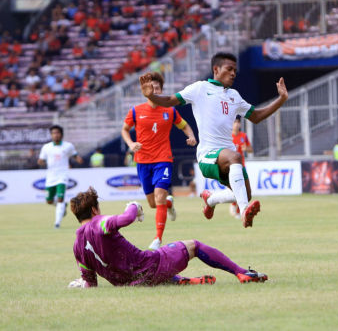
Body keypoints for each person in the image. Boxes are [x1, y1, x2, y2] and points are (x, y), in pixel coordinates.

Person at [139, 52, 289, 228]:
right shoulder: (200, 88)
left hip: (226, 158)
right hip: (208, 155)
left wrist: (282, 99)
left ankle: (211, 200)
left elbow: (256, 116)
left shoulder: (234, 96)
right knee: (236, 158)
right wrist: (152, 96)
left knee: (244, 193)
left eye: (235, 70)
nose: (233, 73)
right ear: (216, 69)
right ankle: (243, 211)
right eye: (229, 69)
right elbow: (170, 100)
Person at [68, 187, 267, 288]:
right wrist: (134, 205)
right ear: (94, 209)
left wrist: (80, 284)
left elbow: (90, 284)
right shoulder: (100, 222)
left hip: (129, 283)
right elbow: (128, 217)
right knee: (194, 246)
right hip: (149, 266)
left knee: (157, 260)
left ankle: (185, 281)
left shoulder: (77, 247)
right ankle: (241, 273)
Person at [123, 71, 198, 250]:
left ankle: (157, 238)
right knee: (152, 203)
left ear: (160, 90)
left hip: (163, 159)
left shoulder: (169, 111)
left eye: (156, 88)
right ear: (144, 89)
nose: (153, 89)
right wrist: (131, 143)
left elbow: (185, 125)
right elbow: (124, 130)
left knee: (159, 197)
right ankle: (169, 202)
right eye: (150, 87)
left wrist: (191, 136)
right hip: (142, 161)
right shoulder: (136, 111)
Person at [38, 125, 84, 229]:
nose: (56, 135)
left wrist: (78, 159)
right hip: (50, 177)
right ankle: (63, 207)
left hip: (62, 176)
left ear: (61, 134)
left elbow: (75, 155)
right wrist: (40, 161)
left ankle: (57, 223)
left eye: (57, 132)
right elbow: (41, 159)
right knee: (49, 200)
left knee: (60, 198)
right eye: (53, 133)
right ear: (51, 135)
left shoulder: (68, 146)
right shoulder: (46, 147)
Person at [229, 115, 254, 218]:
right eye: (235, 122)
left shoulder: (244, 136)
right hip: (231, 167)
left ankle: (240, 211)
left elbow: (251, 149)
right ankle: (233, 203)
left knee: (243, 188)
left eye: (238, 122)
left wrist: (246, 148)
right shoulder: (228, 136)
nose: (237, 124)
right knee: (235, 188)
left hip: (242, 166)